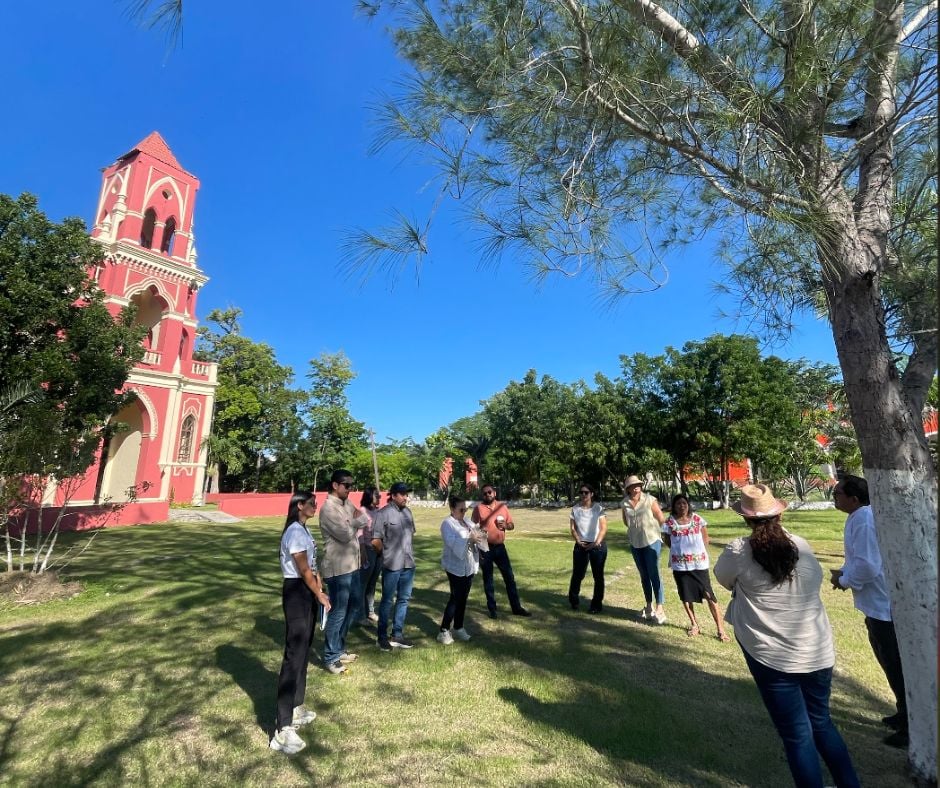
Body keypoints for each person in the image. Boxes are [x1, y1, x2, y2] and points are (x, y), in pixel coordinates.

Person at [714, 484, 860, 788]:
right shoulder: (801, 544)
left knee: (797, 734)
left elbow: (724, 579)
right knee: (820, 722)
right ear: (778, 514)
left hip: (771, 654)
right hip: (816, 650)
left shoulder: (739, 550)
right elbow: (815, 580)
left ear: (746, 518)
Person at [831, 475, 908, 748]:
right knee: (887, 661)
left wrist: (843, 580)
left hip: (882, 605)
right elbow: (857, 559)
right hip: (875, 603)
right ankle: (903, 712)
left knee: (895, 664)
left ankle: (910, 724)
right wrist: (843, 571)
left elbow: (867, 566)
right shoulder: (858, 517)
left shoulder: (863, 519)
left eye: (838, 493)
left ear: (854, 498)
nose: (834, 497)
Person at [270, 491, 332, 755]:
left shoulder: (304, 530)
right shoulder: (294, 531)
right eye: (311, 504)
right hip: (296, 592)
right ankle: (282, 728)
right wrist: (317, 591)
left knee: (304, 650)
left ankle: (296, 707)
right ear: (299, 506)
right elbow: (303, 569)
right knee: (294, 654)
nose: (314, 507)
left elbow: (313, 568)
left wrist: (320, 590)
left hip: (307, 591)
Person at [319, 469, 369, 675]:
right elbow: (345, 534)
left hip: (353, 565)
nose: (350, 489)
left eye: (351, 485)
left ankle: (339, 647)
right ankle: (331, 656)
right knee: (338, 611)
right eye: (346, 485)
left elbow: (359, 517)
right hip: (338, 568)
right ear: (335, 485)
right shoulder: (328, 509)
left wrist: (354, 521)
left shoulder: (346, 503)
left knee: (355, 606)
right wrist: (355, 522)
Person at [662, 493, 730, 641]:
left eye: (684, 503)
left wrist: (697, 553)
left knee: (709, 595)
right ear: (673, 506)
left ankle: (720, 629)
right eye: (678, 504)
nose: (682, 506)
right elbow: (668, 541)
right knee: (685, 596)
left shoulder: (698, 519)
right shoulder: (669, 522)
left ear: (688, 505)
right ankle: (694, 625)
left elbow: (706, 538)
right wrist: (680, 553)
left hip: (699, 565)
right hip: (680, 566)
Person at [471, 484, 531, 619]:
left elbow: (511, 525)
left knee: (509, 578)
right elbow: (473, 529)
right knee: (488, 580)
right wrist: (480, 533)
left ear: (495, 493)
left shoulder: (502, 507)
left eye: (489, 492)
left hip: (500, 548)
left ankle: (517, 608)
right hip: (485, 547)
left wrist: (506, 526)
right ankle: (492, 609)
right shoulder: (478, 509)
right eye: (484, 493)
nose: (487, 495)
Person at [372, 482, 417, 650]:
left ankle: (397, 635)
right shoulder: (383, 514)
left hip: (408, 564)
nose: (406, 497)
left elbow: (411, 535)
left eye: (407, 494)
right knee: (387, 601)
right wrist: (386, 555)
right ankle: (381, 637)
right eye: (403, 494)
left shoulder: (408, 512)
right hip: (392, 565)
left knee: (403, 599)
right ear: (393, 495)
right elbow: (376, 541)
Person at [437, 495, 489, 644]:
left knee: (463, 598)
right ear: (452, 509)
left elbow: (476, 533)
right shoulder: (447, 524)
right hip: (455, 566)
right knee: (455, 598)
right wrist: (469, 539)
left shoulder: (466, 521)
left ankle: (459, 627)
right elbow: (453, 544)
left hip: (469, 565)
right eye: (461, 509)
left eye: (465, 508)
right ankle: (444, 630)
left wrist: (481, 534)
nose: (464, 511)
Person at [621, 475, 667, 624]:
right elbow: (625, 521)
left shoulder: (649, 499)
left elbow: (660, 517)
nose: (636, 487)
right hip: (635, 543)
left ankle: (660, 607)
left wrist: (667, 535)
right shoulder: (624, 503)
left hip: (652, 541)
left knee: (654, 574)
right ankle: (649, 606)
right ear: (628, 488)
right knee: (644, 575)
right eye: (633, 485)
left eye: (638, 484)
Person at [568, 483, 608, 613]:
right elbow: (573, 528)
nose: (583, 495)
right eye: (581, 492)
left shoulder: (598, 508)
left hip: (597, 546)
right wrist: (578, 540)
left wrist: (596, 542)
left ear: (592, 494)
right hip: (581, 545)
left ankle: (596, 605)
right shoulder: (575, 509)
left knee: (598, 576)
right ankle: (574, 601)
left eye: (586, 492)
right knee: (578, 575)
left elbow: (603, 528)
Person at [356, 487, 383, 626]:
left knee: (372, 583)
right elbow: (359, 533)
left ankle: (370, 612)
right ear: (369, 496)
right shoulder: (362, 511)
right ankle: (360, 615)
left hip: (379, 550)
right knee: (363, 584)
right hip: (368, 550)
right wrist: (363, 552)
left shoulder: (378, 511)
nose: (379, 497)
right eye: (376, 495)